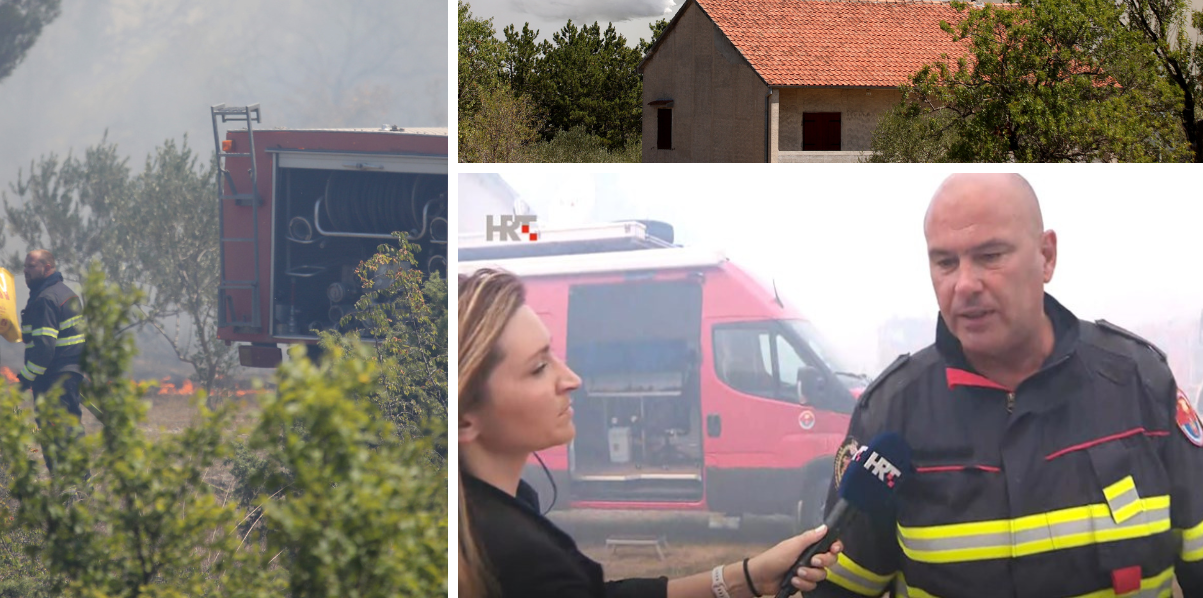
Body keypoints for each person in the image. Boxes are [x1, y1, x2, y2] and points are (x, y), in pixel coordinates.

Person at [815, 173, 1203, 598]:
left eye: (990, 256)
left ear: (1047, 256)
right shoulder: (892, 415)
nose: (963, 285)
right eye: (945, 262)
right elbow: (838, 588)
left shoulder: (1140, 384)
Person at [459, 268, 842, 598]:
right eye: (539, 367)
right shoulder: (522, 558)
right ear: (464, 419)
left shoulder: (499, 511)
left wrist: (747, 577)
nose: (573, 379)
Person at [17, 249, 86, 421]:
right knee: (68, 427)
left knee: (56, 431)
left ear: (47, 268)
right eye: (24, 267)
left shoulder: (46, 299)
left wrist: (25, 378)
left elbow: (44, 348)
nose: (25, 271)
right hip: (70, 372)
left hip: (53, 376)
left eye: (31, 266)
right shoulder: (68, 294)